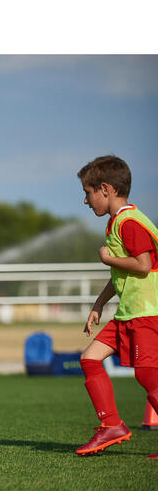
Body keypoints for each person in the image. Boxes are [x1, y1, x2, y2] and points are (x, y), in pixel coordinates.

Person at [75, 155, 158, 459]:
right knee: (90, 359)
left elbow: (143, 265)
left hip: (147, 313)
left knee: (149, 378)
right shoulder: (117, 222)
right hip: (129, 313)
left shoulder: (129, 222)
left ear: (106, 189)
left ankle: (112, 426)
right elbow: (124, 272)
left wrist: (108, 259)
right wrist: (98, 304)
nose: (86, 200)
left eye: (88, 193)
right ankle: (111, 426)